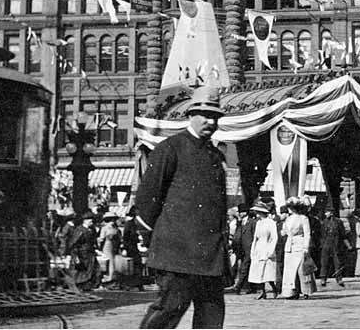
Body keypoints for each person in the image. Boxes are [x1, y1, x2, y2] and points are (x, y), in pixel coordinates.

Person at [135, 86, 229, 329]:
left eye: (215, 117)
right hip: (177, 254)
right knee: (168, 311)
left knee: (211, 317)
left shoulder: (216, 157)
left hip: (210, 257)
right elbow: (147, 199)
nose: (210, 121)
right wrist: (156, 240)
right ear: (190, 114)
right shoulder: (170, 148)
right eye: (205, 115)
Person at [281, 197, 316, 299]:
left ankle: (306, 291)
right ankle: (292, 291)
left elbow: (307, 234)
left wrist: (306, 247)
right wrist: (284, 232)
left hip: (299, 244)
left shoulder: (303, 218)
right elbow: (284, 232)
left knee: (302, 269)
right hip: (289, 246)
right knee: (290, 270)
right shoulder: (288, 219)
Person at [248, 202, 278, 299]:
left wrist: (271, 250)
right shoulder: (258, 223)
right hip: (259, 248)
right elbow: (255, 238)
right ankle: (262, 291)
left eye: (258, 212)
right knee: (258, 272)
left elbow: (274, 237)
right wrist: (253, 250)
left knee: (267, 272)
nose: (257, 214)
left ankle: (274, 288)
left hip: (267, 247)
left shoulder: (271, 223)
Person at [68, 211, 101, 291]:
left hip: (90, 253)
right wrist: (75, 256)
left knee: (93, 268)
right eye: (90, 220)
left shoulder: (91, 229)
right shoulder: (80, 230)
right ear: (85, 220)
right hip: (82, 254)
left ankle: (90, 285)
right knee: (83, 270)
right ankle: (81, 285)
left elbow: (93, 241)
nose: (92, 222)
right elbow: (73, 244)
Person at [318, 207, 350, 287]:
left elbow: (343, 234)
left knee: (337, 262)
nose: (325, 214)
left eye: (327, 212)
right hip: (326, 244)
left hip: (336, 244)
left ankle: (339, 278)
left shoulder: (338, 222)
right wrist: (322, 244)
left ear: (331, 213)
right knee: (324, 262)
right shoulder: (324, 222)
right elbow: (321, 235)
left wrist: (348, 245)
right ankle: (323, 279)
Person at [230, 204, 257, 294]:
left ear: (245, 212)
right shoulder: (240, 222)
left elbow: (254, 235)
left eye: (241, 212)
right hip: (241, 248)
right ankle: (250, 287)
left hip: (249, 248)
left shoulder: (252, 222)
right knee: (245, 267)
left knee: (244, 267)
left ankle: (238, 286)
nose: (240, 214)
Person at [98, 211, 122, 287]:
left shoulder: (116, 229)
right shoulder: (105, 228)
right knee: (109, 262)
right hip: (107, 246)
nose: (113, 221)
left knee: (113, 262)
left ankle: (112, 278)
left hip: (114, 246)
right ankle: (109, 278)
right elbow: (101, 239)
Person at [274, 205, 288, 291]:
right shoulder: (278, 224)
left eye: (283, 213)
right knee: (279, 267)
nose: (281, 215)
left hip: (287, 249)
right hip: (279, 249)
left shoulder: (290, 223)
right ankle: (279, 286)